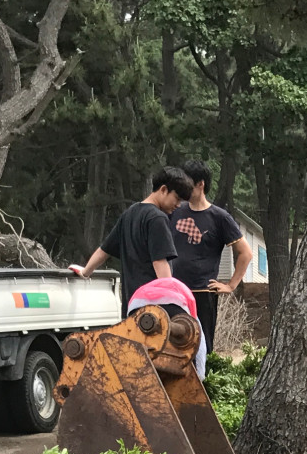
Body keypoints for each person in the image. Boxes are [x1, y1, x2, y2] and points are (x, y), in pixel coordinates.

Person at [72, 167, 187, 317]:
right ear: (164, 189)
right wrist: (172, 303)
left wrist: (85, 271)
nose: (178, 205)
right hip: (153, 311)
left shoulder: (129, 213)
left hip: (131, 307)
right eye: (177, 198)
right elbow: (160, 263)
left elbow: (104, 250)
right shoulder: (157, 218)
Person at [173, 160, 253, 353]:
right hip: (173, 292)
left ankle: (201, 382)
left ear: (200, 184)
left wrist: (230, 285)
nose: (182, 188)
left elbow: (246, 253)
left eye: (187, 183)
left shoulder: (219, 217)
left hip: (202, 293)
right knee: (171, 346)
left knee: (201, 347)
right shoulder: (173, 212)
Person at [125, 276, 208, 382]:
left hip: (137, 306)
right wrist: (200, 376)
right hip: (175, 305)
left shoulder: (143, 290)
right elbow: (199, 345)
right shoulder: (189, 306)